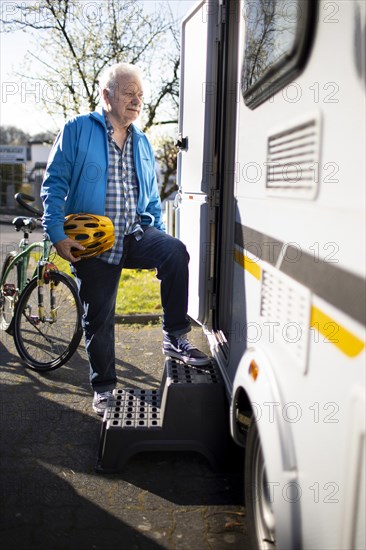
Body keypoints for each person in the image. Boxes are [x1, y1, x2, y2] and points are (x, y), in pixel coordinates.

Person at [41, 62, 210, 415]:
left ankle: (174, 336)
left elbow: (148, 199)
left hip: (134, 234)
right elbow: (54, 183)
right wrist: (56, 233)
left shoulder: (143, 141)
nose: (137, 101)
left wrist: (156, 233)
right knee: (98, 318)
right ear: (107, 95)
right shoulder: (77, 130)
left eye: (140, 96)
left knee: (174, 251)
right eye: (129, 93)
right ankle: (103, 389)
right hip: (92, 242)